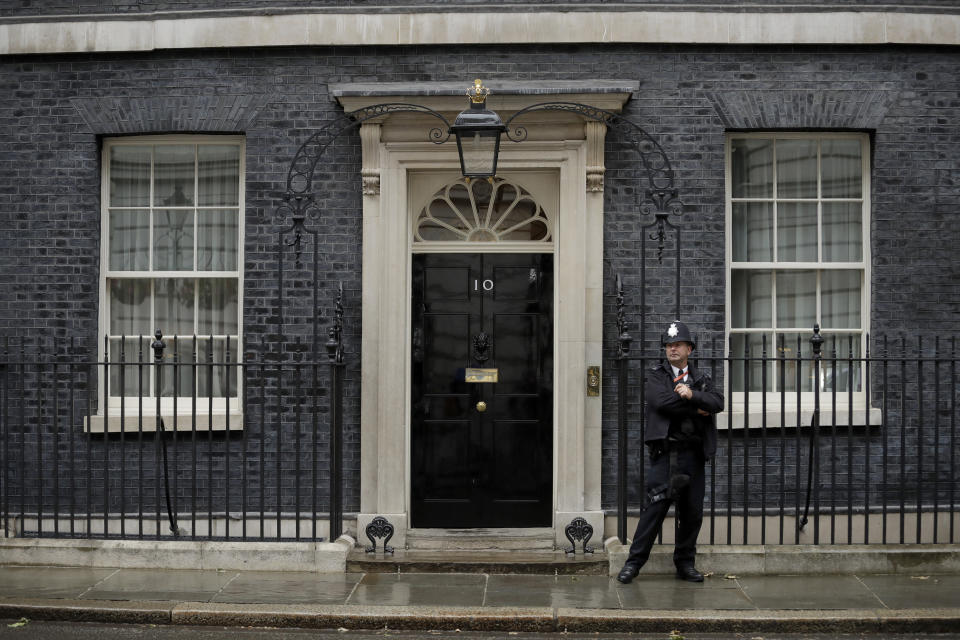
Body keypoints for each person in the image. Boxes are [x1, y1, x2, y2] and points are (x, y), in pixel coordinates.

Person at [617, 320, 724, 584]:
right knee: (654, 510)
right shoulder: (656, 376)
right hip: (666, 455)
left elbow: (718, 402)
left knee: (692, 514)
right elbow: (660, 403)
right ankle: (633, 563)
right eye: (668, 345)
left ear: (689, 348)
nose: (672, 349)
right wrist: (694, 403)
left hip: (694, 455)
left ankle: (685, 564)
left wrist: (694, 394)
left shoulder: (702, 378)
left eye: (677, 344)